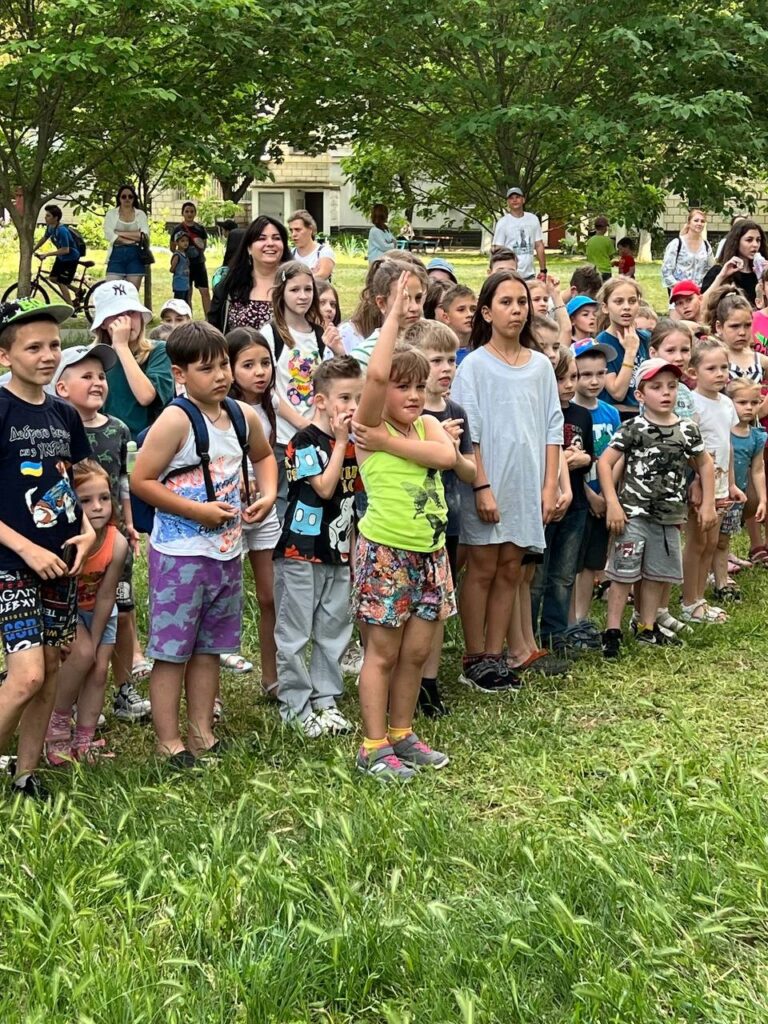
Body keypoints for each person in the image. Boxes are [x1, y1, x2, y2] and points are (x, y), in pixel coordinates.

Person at [130, 322, 277, 765]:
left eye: (223, 366)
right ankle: (168, 741)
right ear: (180, 374)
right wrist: (196, 511)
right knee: (173, 651)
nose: (220, 376)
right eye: (206, 368)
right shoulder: (175, 419)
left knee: (211, 648)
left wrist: (267, 495)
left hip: (226, 553)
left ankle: (202, 733)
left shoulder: (239, 414)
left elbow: (264, 456)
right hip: (180, 555)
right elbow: (141, 480)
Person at [350, 273, 456, 780]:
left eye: (420, 385)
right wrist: (393, 314)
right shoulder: (370, 424)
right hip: (386, 552)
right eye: (403, 386)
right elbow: (373, 378)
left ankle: (401, 732)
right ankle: (373, 745)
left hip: (430, 554)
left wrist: (391, 443)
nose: (414, 395)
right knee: (384, 651)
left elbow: (447, 456)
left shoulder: (424, 425)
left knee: (416, 651)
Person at [0, 297, 95, 799]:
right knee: (26, 676)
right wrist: (27, 551)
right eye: (33, 346)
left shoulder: (63, 413)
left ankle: (25, 775)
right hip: (11, 563)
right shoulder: (1, 409)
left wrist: (88, 529)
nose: (47, 354)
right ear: (5, 357)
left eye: (54, 345)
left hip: (61, 561)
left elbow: (70, 480)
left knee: (53, 666)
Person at [452, 271, 562, 692]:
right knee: (482, 566)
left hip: (526, 481)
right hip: (489, 479)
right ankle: (474, 655)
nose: (516, 310)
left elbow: (553, 428)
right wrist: (481, 486)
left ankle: (497, 655)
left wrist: (549, 486)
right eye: (506, 302)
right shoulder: (475, 366)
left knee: (512, 567)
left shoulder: (539, 367)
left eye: (522, 302)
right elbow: (470, 431)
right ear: (486, 311)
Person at [51, 343, 150, 722]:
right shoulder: (56, 430)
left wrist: (129, 523)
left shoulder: (118, 429)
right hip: (70, 541)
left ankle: (124, 692)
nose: (97, 382)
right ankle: (69, 696)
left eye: (101, 377)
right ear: (62, 388)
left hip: (111, 539)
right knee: (72, 618)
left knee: (121, 612)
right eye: (86, 376)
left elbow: (123, 480)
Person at [598, 358, 715, 657]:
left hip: (669, 517)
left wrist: (709, 504)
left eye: (672, 387)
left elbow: (705, 464)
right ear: (640, 395)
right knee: (624, 574)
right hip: (633, 515)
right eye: (656, 387)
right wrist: (612, 502)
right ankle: (612, 630)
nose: (666, 393)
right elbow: (605, 462)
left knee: (655, 574)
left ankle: (646, 627)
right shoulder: (634, 428)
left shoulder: (687, 430)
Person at [273, 356, 362, 736]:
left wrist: (354, 553)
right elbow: (324, 488)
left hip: (338, 550)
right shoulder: (303, 441)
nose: (353, 407)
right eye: (344, 398)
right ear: (321, 400)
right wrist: (342, 442)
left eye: (358, 398)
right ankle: (294, 706)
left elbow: (351, 503)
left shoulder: (357, 445)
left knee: (334, 627)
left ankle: (326, 699)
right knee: (295, 632)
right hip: (300, 551)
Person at [405, 319, 477, 714]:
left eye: (451, 359)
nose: (447, 368)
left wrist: (451, 449)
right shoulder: (403, 414)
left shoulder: (456, 411)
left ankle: (429, 683)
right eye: (436, 360)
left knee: (435, 608)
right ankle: (405, 681)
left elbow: (468, 471)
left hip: (445, 524)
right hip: (405, 526)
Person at [44, 461, 128, 765]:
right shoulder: (62, 542)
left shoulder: (116, 543)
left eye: (104, 498)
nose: (97, 507)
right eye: (86, 500)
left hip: (102, 612)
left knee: (99, 670)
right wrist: (81, 639)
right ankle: (55, 728)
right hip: (68, 609)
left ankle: (83, 738)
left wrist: (96, 636)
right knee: (81, 655)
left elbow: (107, 593)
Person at [227, 326, 282, 696]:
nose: (259, 372)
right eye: (248, 365)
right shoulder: (223, 409)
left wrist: (266, 492)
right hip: (226, 509)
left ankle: (272, 675)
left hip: (263, 507)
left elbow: (267, 458)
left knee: (270, 595)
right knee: (223, 597)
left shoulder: (270, 405)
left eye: (265, 363)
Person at [529, 348, 593, 655]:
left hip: (576, 503)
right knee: (537, 577)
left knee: (564, 574)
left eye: (573, 377)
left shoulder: (582, 414)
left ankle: (555, 633)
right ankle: (528, 635)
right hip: (546, 503)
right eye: (560, 378)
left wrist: (583, 458)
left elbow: (590, 455)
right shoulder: (540, 415)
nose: (568, 385)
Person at [258, 261, 326, 519]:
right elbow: (268, 389)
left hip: (313, 434)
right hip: (282, 436)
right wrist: (299, 421)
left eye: (308, 289)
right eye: (295, 290)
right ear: (281, 293)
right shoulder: (271, 334)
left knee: (309, 496)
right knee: (282, 498)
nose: (303, 296)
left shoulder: (319, 336)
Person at [682, 338, 743, 623]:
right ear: (693, 372)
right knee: (696, 541)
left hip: (720, 484)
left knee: (711, 541)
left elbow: (726, 445)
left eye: (724, 367)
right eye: (712, 368)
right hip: (700, 483)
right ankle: (688, 600)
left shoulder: (728, 404)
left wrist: (731, 484)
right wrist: (695, 481)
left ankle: (699, 597)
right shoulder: (692, 404)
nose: (720, 374)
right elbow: (689, 450)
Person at [570, 338, 620, 649]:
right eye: (585, 374)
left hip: (605, 498)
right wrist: (590, 496)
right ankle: (566, 620)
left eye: (600, 373)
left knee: (591, 562)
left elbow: (617, 456)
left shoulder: (611, 413)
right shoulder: (570, 414)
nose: (593, 381)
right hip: (580, 498)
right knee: (573, 562)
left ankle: (581, 618)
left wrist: (608, 494)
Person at [91, 281, 174, 440]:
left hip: (147, 444)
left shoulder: (159, 351)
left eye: (131, 313)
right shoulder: (93, 357)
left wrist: (121, 346)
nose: (126, 321)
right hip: (107, 443)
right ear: (103, 323)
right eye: (116, 315)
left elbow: (146, 397)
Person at [208, 215, 289, 333]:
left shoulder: (297, 285)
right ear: (249, 248)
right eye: (261, 238)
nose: (270, 243)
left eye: (276, 238)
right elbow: (213, 333)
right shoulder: (230, 287)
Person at [349, 258, 428, 372]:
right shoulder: (365, 355)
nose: (414, 307)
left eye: (418, 298)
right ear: (381, 303)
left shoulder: (429, 345)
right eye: (403, 299)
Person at [727, 379, 768, 567]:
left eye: (755, 402)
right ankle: (715, 569)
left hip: (739, 491)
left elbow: (758, 469)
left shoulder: (757, 435)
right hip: (719, 490)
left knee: (725, 533)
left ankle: (724, 558)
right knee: (711, 536)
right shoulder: (722, 431)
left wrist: (762, 499)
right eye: (742, 403)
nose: (749, 408)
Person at [596, 278, 650, 417]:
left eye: (632, 301)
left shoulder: (646, 338)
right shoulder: (601, 343)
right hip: (619, 416)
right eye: (618, 301)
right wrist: (630, 352)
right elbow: (617, 393)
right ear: (605, 307)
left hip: (646, 413)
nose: (626, 307)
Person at [701, 220, 768, 306]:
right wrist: (722, 276)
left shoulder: (762, 271)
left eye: (758, 240)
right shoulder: (719, 271)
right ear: (736, 242)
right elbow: (702, 304)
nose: (755, 244)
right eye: (749, 240)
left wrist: (764, 277)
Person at [491, 187, 545, 280]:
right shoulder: (503, 222)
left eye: (517, 197)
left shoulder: (533, 219)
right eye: (511, 198)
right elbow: (497, 249)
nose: (514, 200)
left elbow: (539, 245)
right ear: (508, 202)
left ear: (523, 200)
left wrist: (543, 270)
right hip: (509, 276)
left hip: (530, 275)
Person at [103, 184, 150, 289]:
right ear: (119, 198)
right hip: (116, 254)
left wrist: (119, 233)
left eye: (130, 196)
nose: (127, 199)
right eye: (124, 196)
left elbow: (144, 236)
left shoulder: (140, 214)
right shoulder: (111, 214)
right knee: (113, 290)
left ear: (134, 198)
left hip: (136, 255)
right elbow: (109, 234)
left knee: (131, 292)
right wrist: (131, 239)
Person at [32, 204, 82, 303]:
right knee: (53, 278)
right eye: (46, 215)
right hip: (62, 257)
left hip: (70, 258)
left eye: (48, 216)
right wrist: (33, 249)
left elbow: (65, 250)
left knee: (61, 282)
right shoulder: (50, 227)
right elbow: (45, 238)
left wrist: (46, 254)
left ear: (56, 218)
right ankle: (77, 290)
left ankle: (71, 307)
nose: (45, 218)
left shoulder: (62, 230)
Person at [170, 202, 210, 314]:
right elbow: (172, 247)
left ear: (195, 213)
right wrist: (181, 256)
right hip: (184, 267)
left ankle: (210, 320)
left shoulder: (200, 228)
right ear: (182, 213)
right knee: (187, 293)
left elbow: (203, 246)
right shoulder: (177, 228)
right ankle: (188, 320)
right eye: (187, 211)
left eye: (192, 211)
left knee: (205, 291)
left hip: (199, 263)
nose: (189, 214)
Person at [661, 209, 714, 292]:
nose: (699, 223)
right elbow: (666, 271)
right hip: (679, 293)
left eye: (702, 221)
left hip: (699, 294)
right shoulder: (677, 244)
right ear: (689, 223)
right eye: (696, 221)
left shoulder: (706, 245)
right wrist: (680, 288)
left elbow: (712, 270)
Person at [288, 210, 336, 278]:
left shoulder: (323, 252)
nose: (293, 234)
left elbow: (322, 275)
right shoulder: (290, 254)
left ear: (310, 229)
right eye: (291, 230)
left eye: (298, 230)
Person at [437, 284, 477, 349]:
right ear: (446, 317)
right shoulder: (437, 349)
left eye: (473, 309)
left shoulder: (485, 347)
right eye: (461, 310)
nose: (470, 314)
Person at [585, 216, 616, 281]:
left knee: (594, 290)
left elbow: (588, 255)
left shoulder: (590, 241)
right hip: (605, 271)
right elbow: (611, 256)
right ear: (605, 228)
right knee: (605, 290)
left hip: (593, 270)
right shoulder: (608, 241)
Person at [169, 232, 191, 303]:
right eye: (182, 241)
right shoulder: (177, 255)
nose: (185, 243)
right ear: (177, 243)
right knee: (179, 303)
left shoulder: (185, 255)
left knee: (185, 302)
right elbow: (172, 269)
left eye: (187, 241)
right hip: (179, 285)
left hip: (185, 284)